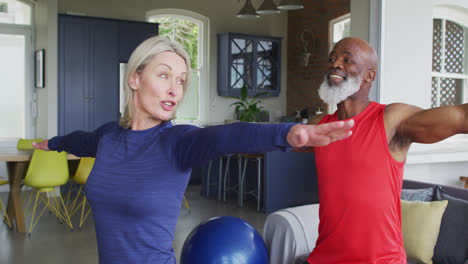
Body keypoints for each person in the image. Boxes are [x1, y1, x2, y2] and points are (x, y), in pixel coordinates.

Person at [33, 36, 354, 264]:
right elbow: (81, 140)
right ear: (134, 78)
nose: (175, 88)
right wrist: (53, 143)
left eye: (182, 80)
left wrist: (291, 134)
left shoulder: (178, 143)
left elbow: (229, 136)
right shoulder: (108, 138)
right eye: (164, 75)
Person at [301, 36, 468, 264]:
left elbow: (461, 117)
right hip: (324, 258)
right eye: (332, 58)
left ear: (370, 76)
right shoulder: (319, 125)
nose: (335, 64)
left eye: (347, 59)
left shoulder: (391, 120)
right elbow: (276, 141)